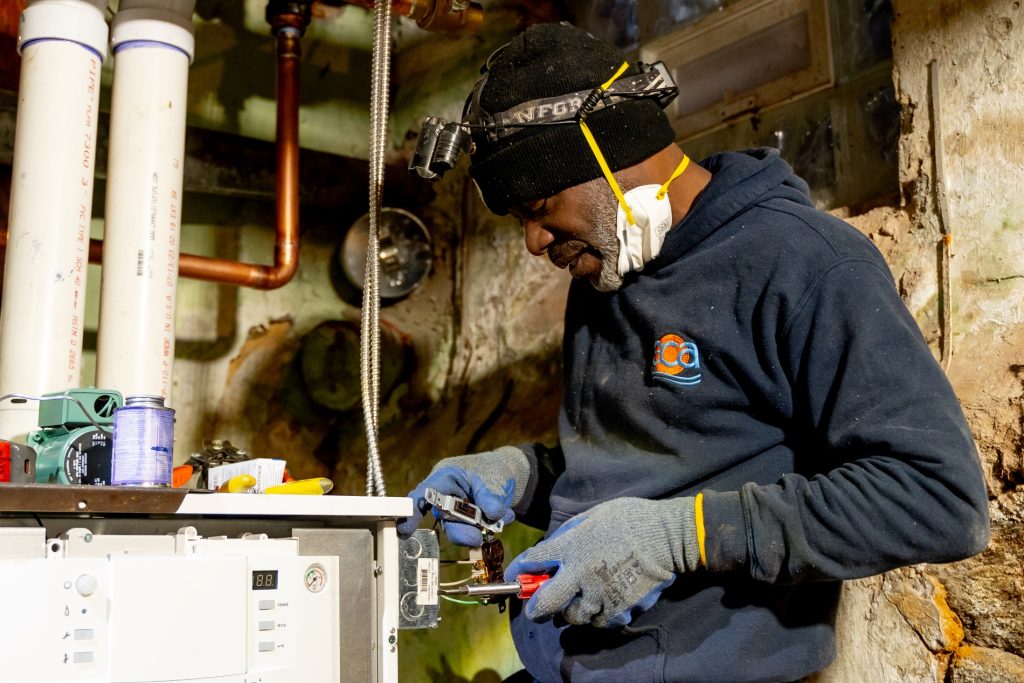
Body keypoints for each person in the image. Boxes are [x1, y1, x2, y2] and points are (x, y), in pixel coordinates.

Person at [398, 22, 990, 683]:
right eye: (519, 220)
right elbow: (651, 463)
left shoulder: (806, 264)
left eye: (540, 205)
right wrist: (524, 475)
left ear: (611, 152)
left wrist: (684, 536)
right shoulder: (605, 267)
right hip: (567, 669)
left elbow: (939, 500)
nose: (534, 242)